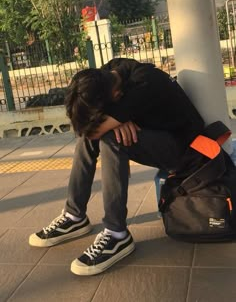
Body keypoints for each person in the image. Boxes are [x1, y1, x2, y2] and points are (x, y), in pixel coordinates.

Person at [29, 58, 204, 276]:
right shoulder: (109, 73)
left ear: (116, 96)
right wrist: (120, 118)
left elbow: (92, 129)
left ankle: (116, 234)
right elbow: (87, 129)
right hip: (157, 136)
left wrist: (118, 118)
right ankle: (75, 217)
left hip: (186, 151)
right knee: (94, 135)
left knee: (109, 138)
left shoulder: (144, 84)